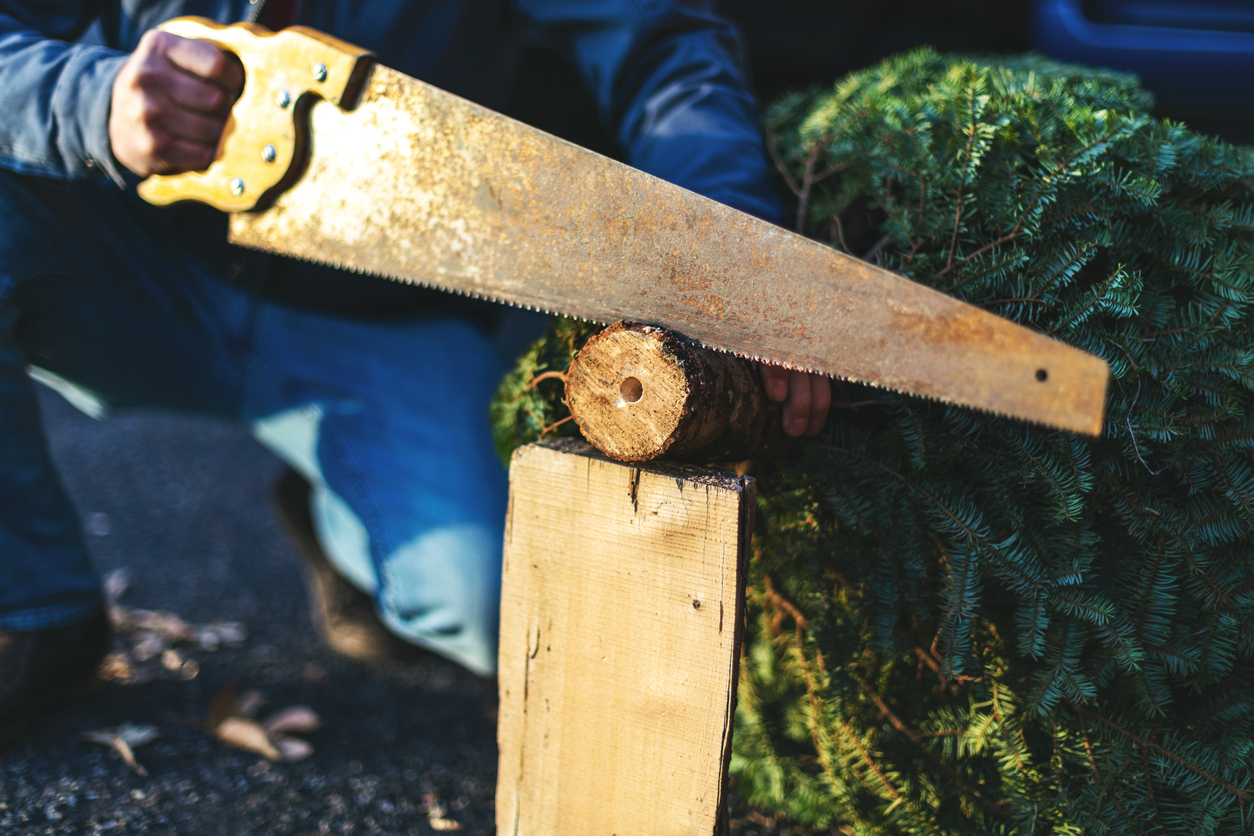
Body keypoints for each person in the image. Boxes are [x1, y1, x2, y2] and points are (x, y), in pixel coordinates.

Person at [0, 0, 832, 747]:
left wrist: (734, 261)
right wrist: (91, 100)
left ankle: (341, 513)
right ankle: (36, 610)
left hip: (382, 311)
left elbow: (657, 36)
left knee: (498, 606)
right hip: (123, 268)